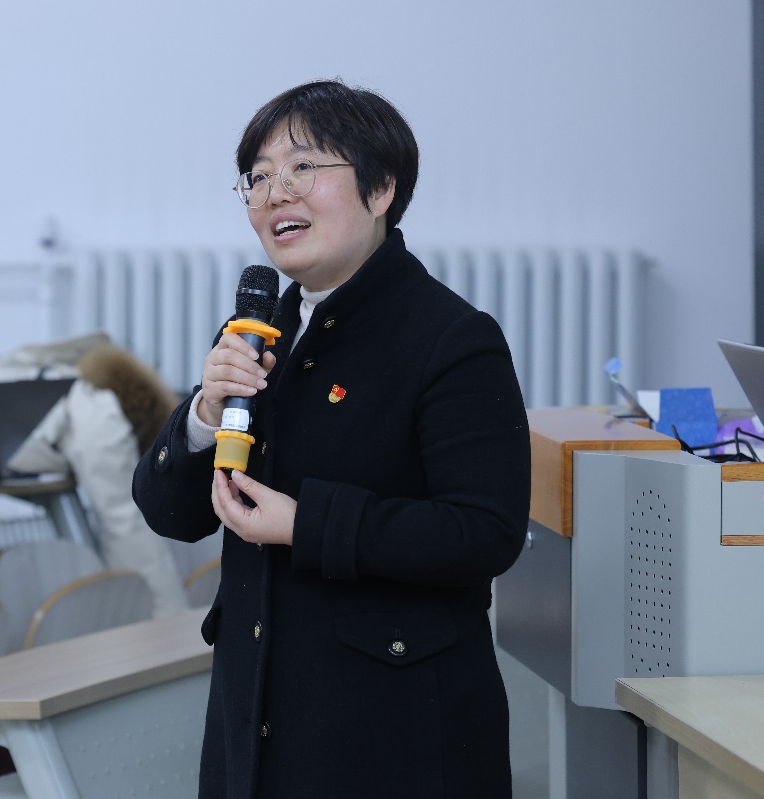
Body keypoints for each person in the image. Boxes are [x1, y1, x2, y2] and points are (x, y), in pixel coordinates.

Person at [132, 80, 531, 797]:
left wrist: (306, 523)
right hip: (254, 719)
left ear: (380, 189)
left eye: (303, 167)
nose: (274, 193)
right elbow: (173, 513)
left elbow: (483, 533)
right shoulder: (259, 334)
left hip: (393, 734)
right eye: (258, 177)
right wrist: (203, 411)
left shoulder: (451, 339)